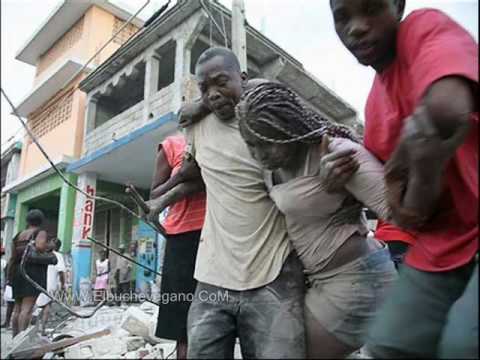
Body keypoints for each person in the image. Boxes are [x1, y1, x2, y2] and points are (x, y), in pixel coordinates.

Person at [328, 0, 478, 357]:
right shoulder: (375, 113)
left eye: (370, 9)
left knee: (463, 345)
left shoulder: (423, 29)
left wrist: (411, 150)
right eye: (342, 18)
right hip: (442, 246)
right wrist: (422, 169)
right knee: (387, 346)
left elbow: (447, 106)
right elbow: (411, 213)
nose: (357, 27)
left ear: (398, 5)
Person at [150, 47, 306, 359]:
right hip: (212, 276)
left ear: (243, 79)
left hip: (272, 272)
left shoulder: (270, 120)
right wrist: (162, 201)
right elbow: (199, 176)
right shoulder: (196, 127)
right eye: (205, 88)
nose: (213, 94)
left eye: (222, 82)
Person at [236, 81, 397, 358]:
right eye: (252, 146)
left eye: (267, 144)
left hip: (358, 282)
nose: (259, 155)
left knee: (283, 354)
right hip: (320, 283)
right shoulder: (271, 166)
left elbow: (399, 211)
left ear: (290, 128)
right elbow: (241, 88)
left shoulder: (336, 154)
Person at [146, 133, 206, 359]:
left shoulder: (219, 139)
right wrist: (181, 175)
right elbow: (154, 194)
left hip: (218, 234)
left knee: (218, 314)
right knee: (183, 320)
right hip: (181, 238)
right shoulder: (171, 145)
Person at [7, 209, 57, 337]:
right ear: (41, 221)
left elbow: (12, 256)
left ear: (27, 221)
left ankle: (14, 337)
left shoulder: (19, 235)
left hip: (18, 271)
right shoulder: (40, 232)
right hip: (32, 272)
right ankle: (21, 339)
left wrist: (9, 276)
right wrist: (49, 246)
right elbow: (40, 247)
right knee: (27, 308)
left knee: (17, 308)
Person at [35, 238, 66, 336]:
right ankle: (42, 329)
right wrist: (63, 285)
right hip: (50, 284)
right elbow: (61, 272)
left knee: (40, 305)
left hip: (40, 283)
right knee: (47, 306)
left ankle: (36, 326)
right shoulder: (58, 256)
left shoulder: (42, 254)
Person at [1, 248, 15, 329]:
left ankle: (7, 322)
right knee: (15, 306)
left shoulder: (10, 261)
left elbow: (6, 274)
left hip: (10, 285)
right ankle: (8, 323)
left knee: (11, 306)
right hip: (12, 285)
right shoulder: (9, 262)